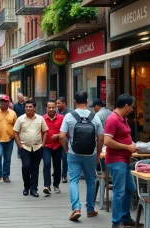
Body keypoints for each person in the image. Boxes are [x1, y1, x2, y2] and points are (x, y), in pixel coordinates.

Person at [59, 91, 104, 221]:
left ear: (74, 101)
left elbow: (62, 136)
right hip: (91, 153)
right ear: (87, 100)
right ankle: (90, 209)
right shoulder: (94, 117)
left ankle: (76, 208)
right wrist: (98, 154)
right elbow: (101, 138)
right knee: (91, 180)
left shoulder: (69, 116)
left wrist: (67, 150)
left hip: (74, 153)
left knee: (73, 180)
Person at [104, 94, 139, 228]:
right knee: (119, 191)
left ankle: (125, 217)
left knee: (130, 188)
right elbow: (107, 141)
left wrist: (133, 145)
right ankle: (116, 222)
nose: (132, 109)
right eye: (131, 107)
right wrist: (127, 146)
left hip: (124, 160)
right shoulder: (112, 119)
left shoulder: (122, 119)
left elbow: (123, 137)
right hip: (116, 160)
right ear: (125, 106)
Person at [13, 99, 48, 198]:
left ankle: (34, 189)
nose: (28, 108)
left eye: (30, 107)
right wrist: (19, 145)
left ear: (34, 108)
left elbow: (45, 131)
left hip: (38, 147)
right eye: (26, 107)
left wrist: (43, 144)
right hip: (24, 147)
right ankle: (26, 187)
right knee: (26, 166)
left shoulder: (40, 119)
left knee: (35, 168)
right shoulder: (20, 119)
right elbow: (15, 132)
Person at [42, 99, 64, 196]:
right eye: (49, 107)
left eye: (53, 107)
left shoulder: (61, 118)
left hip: (57, 145)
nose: (51, 109)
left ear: (56, 107)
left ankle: (56, 184)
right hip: (46, 145)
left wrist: (59, 135)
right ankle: (47, 186)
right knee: (46, 164)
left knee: (57, 166)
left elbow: (65, 131)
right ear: (46, 108)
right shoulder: (42, 119)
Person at [56, 97, 72, 183]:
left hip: (65, 137)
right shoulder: (55, 112)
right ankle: (57, 172)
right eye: (57, 103)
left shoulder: (70, 113)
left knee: (64, 157)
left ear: (64, 103)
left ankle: (64, 175)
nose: (57, 105)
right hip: (56, 138)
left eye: (59, 103)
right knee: (57, 157)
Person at [13, 93, 26, 157]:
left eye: (21, 97)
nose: (20, 98)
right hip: (18, 124)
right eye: (18, 97)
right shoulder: (15, 106)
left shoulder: (26, 105)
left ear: (23, 97)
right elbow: (14, 115)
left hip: (26, 123)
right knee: (18, 138)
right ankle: (19, 152)